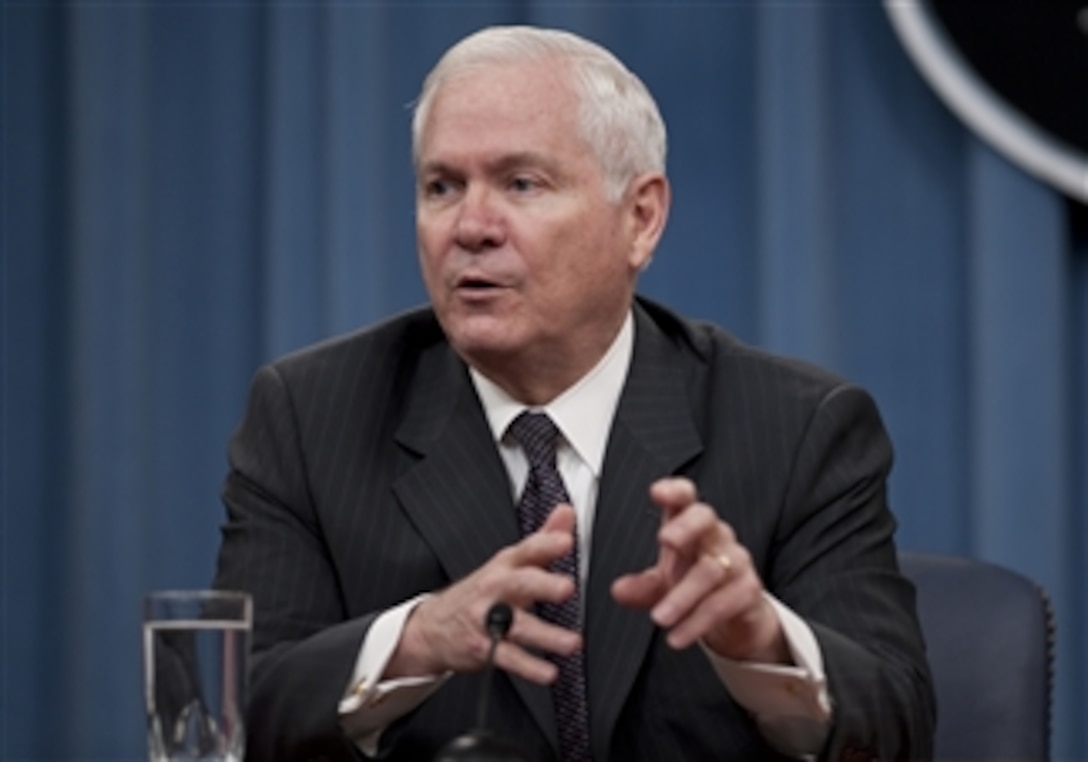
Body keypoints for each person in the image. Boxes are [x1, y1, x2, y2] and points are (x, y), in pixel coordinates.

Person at [213, 25, 934, 762]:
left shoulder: (797, 427)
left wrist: (761, 642)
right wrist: (419, 639)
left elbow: (896, 724)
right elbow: (233, 713)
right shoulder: (312, 416)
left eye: (522, 184)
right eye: (442, 187)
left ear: (641, 219)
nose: (471, 227)